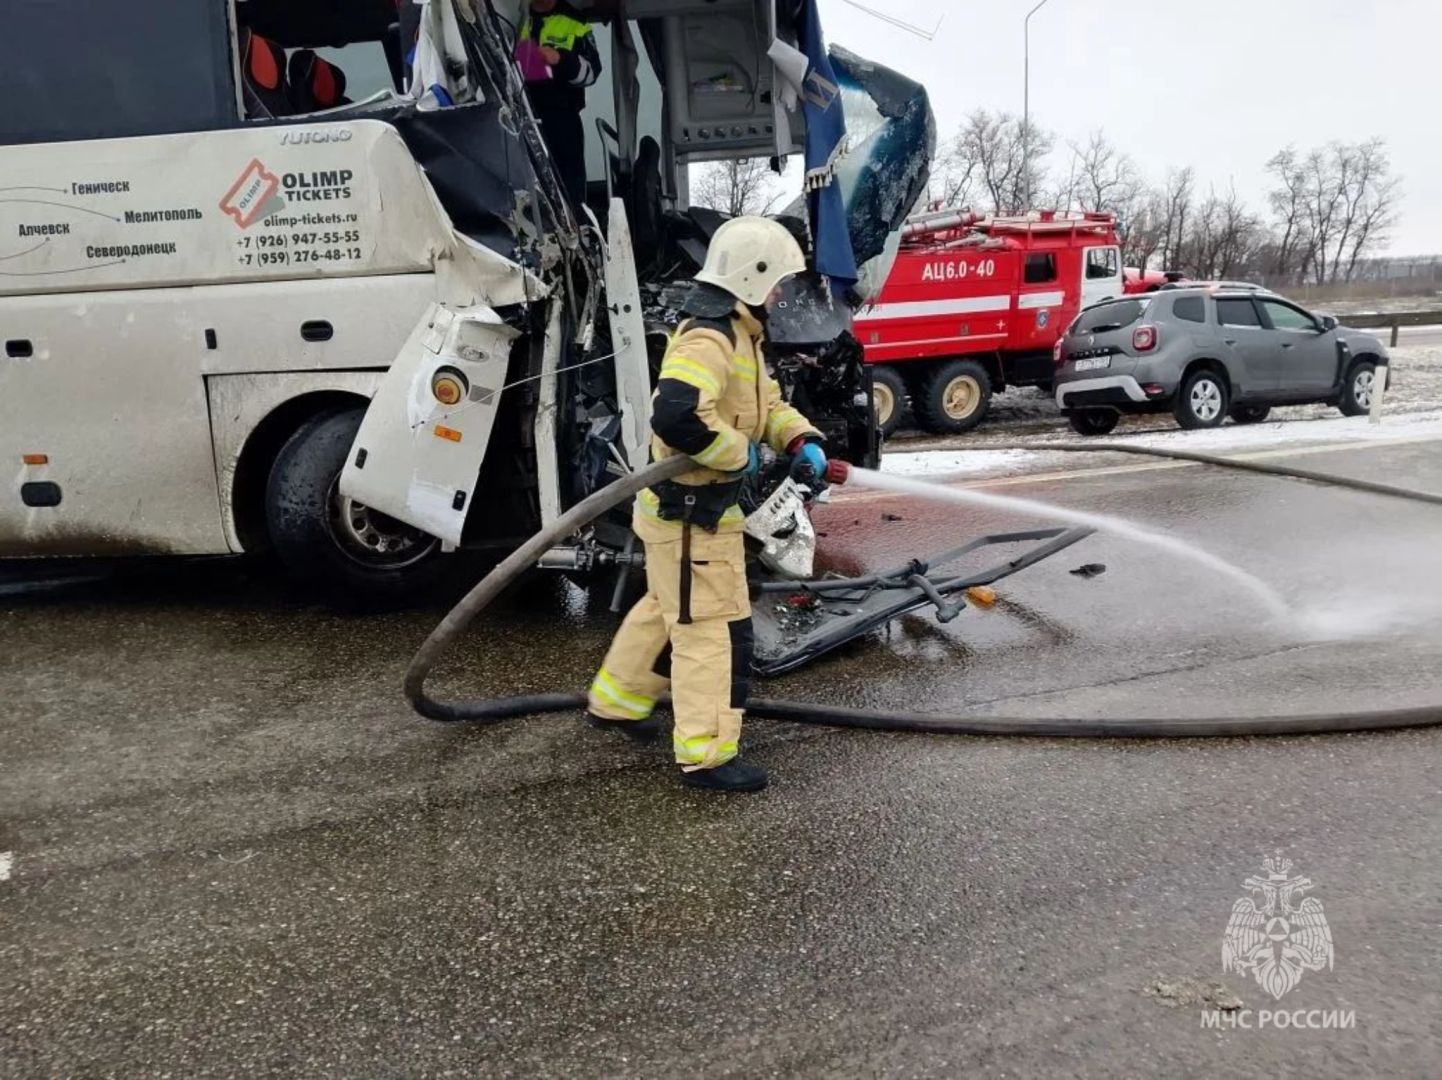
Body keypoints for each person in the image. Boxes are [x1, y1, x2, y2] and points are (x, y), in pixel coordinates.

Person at [586, 217, 829, 793]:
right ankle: (706, 755)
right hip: (692, 512)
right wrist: (738, 455)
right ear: (753, 276)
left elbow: (764, 403)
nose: (781, 294)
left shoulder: (743, 334)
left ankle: (616, 701)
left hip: (694, 513)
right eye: (777, 282)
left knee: (668, 604)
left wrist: (800, 438)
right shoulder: (709, 338)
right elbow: (675, 416)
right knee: (708, 632)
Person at [514, 0, 600, 209]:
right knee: (525, 187)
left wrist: (560, 59)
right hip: (521, 120)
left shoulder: (576, 22)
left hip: (563, 119)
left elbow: (592, 73)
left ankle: (577, 230)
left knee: (569, 188)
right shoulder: (515, 18)